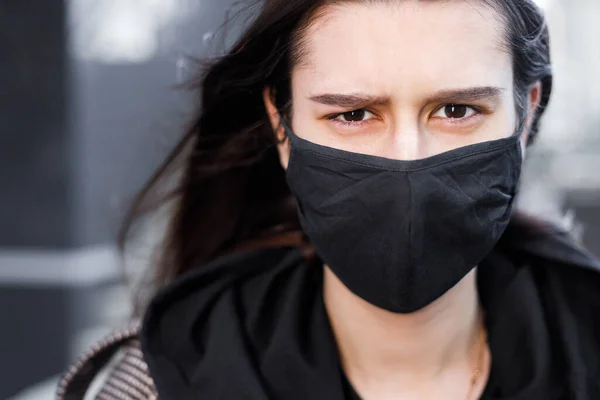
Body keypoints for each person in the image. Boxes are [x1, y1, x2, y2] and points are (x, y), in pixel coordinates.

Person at [57, 0, 600, 399]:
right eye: (353, 114)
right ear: (281, 123)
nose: (406, 160)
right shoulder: (159, 377)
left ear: (526, 114)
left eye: (456, 111)